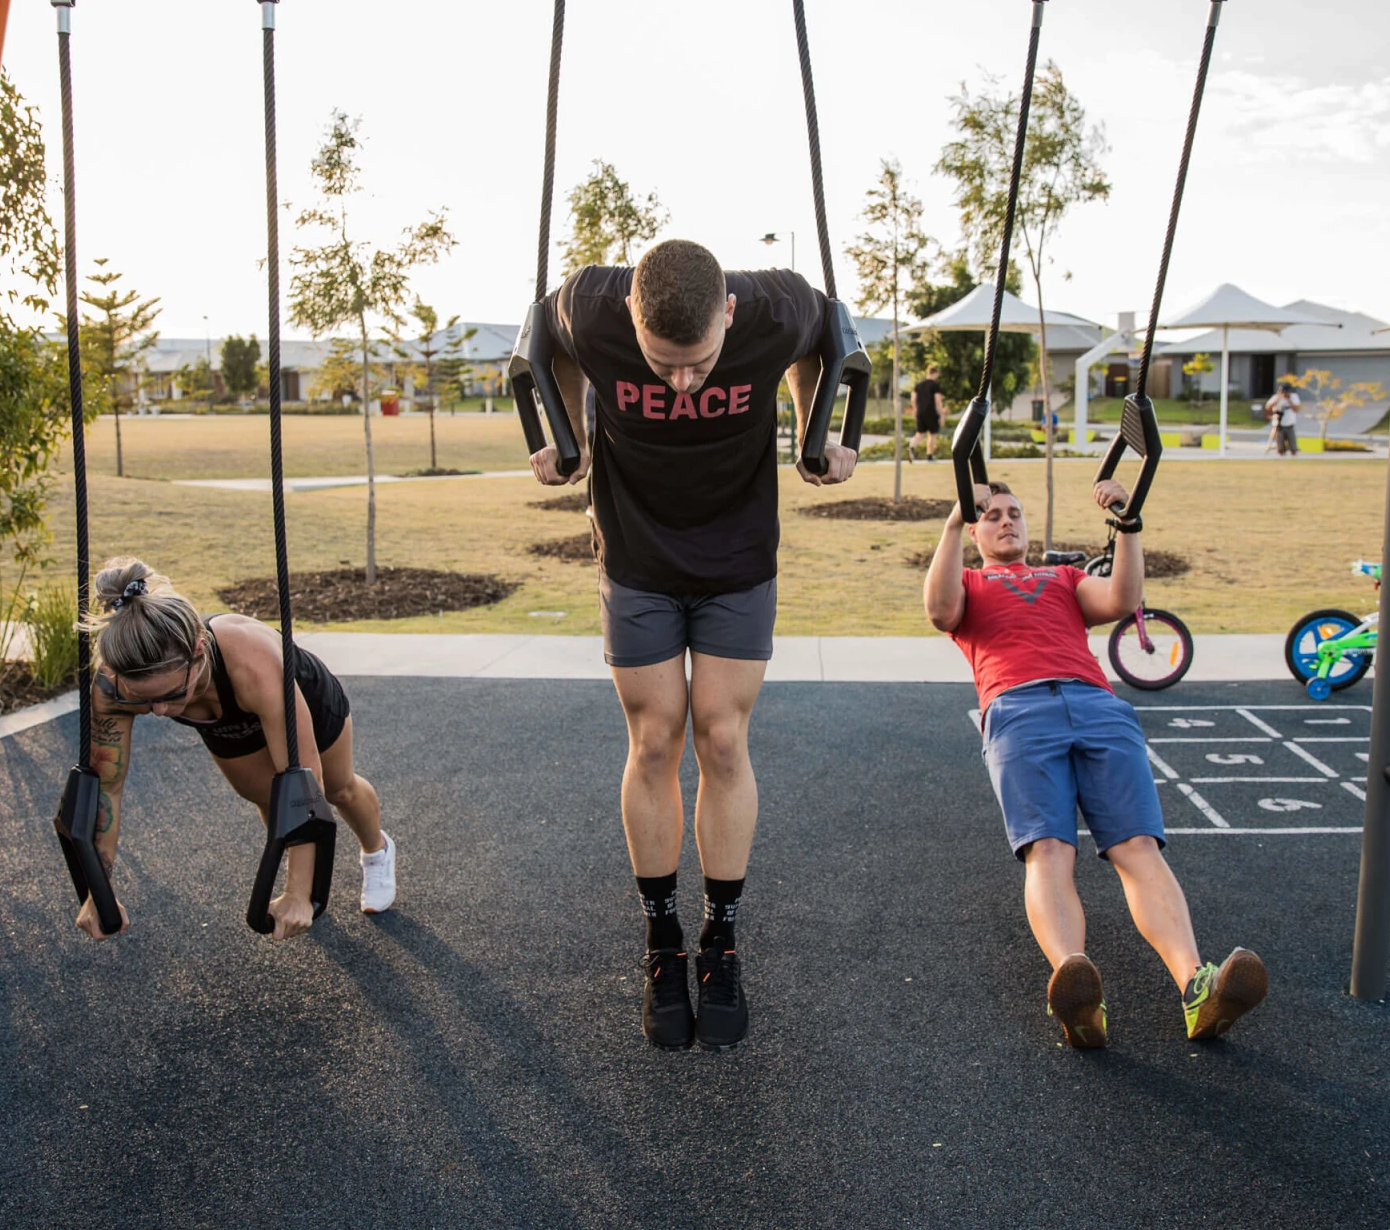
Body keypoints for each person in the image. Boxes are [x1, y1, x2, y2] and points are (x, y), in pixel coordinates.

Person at [530, 239, 856, 1049]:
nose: (681, 382)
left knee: (720, 734)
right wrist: (567, 430)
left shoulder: (777, 304)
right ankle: (661, 939)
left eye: (700, 362)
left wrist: (823, 432)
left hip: (738, 555)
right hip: (637, 556)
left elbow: (831, 336)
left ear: (731, 317)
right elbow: (550, 339)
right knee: (653, 741)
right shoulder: (590, 302)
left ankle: (722, 936)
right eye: (661, 363)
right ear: (631, 317)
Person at [923, 481, 1266, 1048]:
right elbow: (939, 612)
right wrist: (953, 523)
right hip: (1018, 709)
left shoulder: (1063, 579)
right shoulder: (968, 582)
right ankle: (1075, 985)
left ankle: (1197, 988)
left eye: (1015, 513)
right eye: (991, 516)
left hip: (1098, 706)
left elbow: (1123, 600)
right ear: (978, 530)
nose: (1005, 521)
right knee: (1050, 849)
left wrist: (1128, 525)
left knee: (1137, 847)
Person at [75, 557, 394, 941]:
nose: (158, 712)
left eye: (170, 695)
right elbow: (106, 789)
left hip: (301, 695)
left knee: (337, 789)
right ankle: (302, 864)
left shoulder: (254, 666)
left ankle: (376, 851)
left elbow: (305, 784)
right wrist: (97, 889)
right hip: (223, 716)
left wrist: (298, 893)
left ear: (197, 650)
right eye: (144, 700)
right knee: (264, 796)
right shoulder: (112, 688)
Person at [910, 364, 946, 461]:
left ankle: (911, 447)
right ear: (935, 373)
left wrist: (916, 410)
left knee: (920, 433)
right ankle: (929, 455)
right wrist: (941, 414)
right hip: (931, 412)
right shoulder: (935, 385)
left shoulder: (918, 385)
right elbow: (937, 400)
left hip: (920, 412)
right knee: (932, 434)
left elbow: (913, 399)